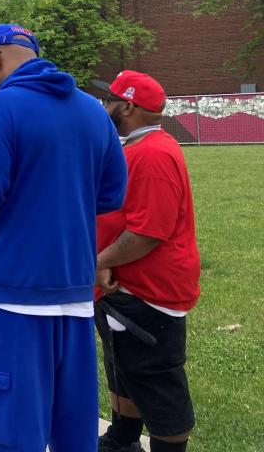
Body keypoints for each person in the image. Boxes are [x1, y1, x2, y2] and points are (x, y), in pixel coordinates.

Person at [0, 24, 127, 452]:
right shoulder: (91, 110)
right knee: (75, 435)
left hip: (12, 295)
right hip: (75, 297)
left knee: (16, 437)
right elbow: (111, 193)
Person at [95, 71, 200, 452]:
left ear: (128, 105)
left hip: (149, 293)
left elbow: (147, 233)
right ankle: (123, 439)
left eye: (110, 99)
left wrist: (99, 260)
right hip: (127, 288)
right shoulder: (137, 146)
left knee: (157, 381)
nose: (104, 105)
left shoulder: (154, 153)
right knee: (124, 369)